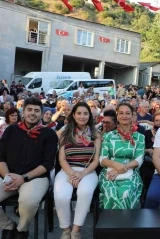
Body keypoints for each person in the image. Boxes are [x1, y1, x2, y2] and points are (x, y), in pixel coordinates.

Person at [0, 97, 58, 239]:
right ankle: (8, 226)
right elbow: (0, 157)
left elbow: (48, 164)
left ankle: (22, 229)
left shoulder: (49, 134)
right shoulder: (11, 130)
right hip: (9, 175)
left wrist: (24, 178)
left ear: (41, 113)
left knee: (28, 201)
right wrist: (7, 176)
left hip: (35, 178)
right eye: (29, 110)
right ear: (23, 112)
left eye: (37, 111)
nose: (33, 113)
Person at [55, 102, 101, 239]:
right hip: (67, 169)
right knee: (62, 195)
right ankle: (66, 230)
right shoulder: (65, 132)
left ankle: (76, 230)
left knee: (85, 192)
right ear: (73, 115)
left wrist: (82, 174)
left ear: (90, 116)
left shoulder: (96, 134)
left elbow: (96, 160)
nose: (82, 116)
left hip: (88, 171)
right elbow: (62, 159)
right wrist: (72, 174)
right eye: (79, 113)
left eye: (85, 113)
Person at [99, 103, 145, 209]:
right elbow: (102, 159)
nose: (124, 116)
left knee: (125, 193)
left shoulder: (140, 137)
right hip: (109, 172)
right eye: (121, 113)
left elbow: (138, 160)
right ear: (117, 116)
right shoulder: (108, 136)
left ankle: (124, 224)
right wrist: (116, 166)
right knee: (111, 194)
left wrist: (120, 169)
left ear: (133, 115)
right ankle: (112, 224)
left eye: (127, 113)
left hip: (131, 172)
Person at [141, 110, 160, 194]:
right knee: (146, 171)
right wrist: (148, 150)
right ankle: (146, 196)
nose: (158, 123)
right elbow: (140, 149)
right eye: (156, 120)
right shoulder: (147, 133)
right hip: (149, 161)